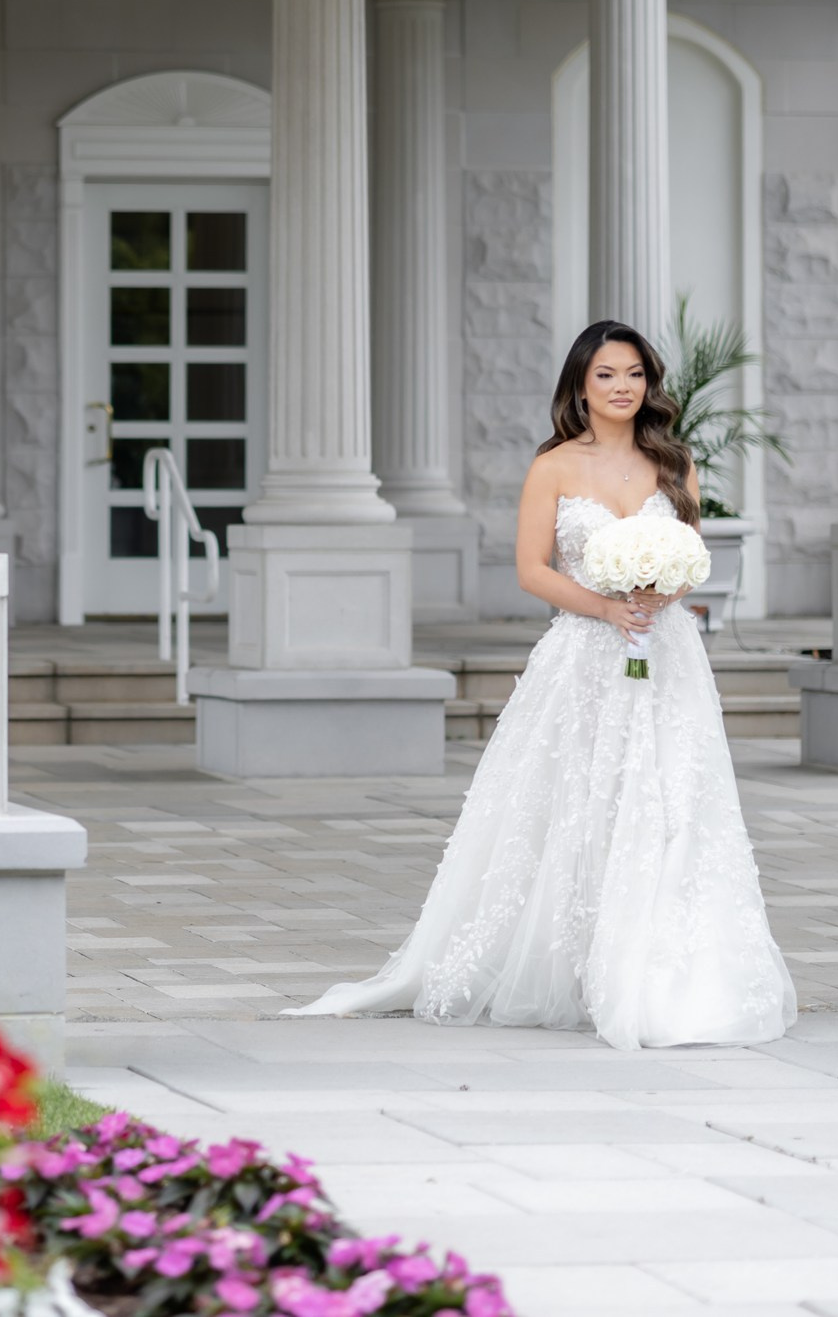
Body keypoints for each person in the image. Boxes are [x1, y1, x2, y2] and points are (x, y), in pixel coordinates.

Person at [285, 319, 797, 1048]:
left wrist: (661, 593)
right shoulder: (554, 466)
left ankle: (676, 975)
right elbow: (533, 570)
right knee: (579, 803)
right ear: (580, 386)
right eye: (606, 375)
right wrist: (606, 607)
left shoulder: (675, 461)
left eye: (635, 374)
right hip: (586, 657)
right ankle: (579, 962)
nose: (622, 387)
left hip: (667, 655)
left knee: (675, 797)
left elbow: (690, 557)